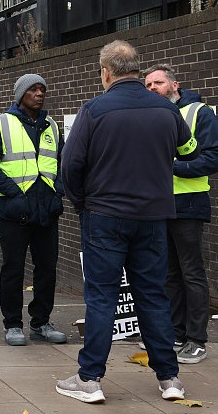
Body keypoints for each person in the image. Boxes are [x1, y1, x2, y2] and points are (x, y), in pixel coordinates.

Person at [56, 40, 198, 404]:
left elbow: (70, 167)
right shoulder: (167, 110)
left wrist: (84, 204)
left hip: (105, 216)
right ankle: (169, 379)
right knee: (152, 296)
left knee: (101, 298)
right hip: (153, 218)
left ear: (105, 72)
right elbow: (189, 149)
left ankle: (90, 379)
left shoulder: (95, 110)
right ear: (137, 69)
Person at [0, 74, 67, 347]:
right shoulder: (1, 124)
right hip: (14, 211)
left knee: (46, 269)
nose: (39, 94)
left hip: (46, 210)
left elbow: (61, 162)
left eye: (42, 89)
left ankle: (41, 322)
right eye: (33, 90)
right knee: (13, 270)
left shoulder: (51, 125)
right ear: (20, 95)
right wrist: (16, 192)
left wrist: (57, 191)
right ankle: (13, 325)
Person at [142, 63, 217, 364]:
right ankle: (176, 331)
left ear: (174, 85)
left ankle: (197, 339)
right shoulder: (151, 116)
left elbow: (212, 157)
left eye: (158, 83)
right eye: (147, 85)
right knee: (169, 273)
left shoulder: (200, 112)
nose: (153, 89)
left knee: (192, 272)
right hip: (159, 205)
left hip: (188, 204)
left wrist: (173, 168)